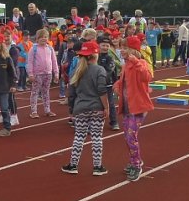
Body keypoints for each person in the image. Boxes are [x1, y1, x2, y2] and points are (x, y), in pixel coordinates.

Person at [61, 41, 108, 175]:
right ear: (95, 55)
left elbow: (72, 93)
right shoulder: (100, 70)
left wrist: (71, 110)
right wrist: (106, 107)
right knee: (97, 137)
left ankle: (73, 165)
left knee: (79, 137)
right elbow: (102, 91)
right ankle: (97, 167)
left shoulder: (77, 71)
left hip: (80, 108)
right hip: (97, 108)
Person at [113, 36, 153, 182]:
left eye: (125, 48)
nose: (121, 50)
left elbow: (146, 77)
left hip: (138, 108)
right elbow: (123, 80)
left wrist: (136, 62)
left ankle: (137, 164)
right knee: (128, 137)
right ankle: (134, 160)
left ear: (133, 50)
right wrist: (117, 85)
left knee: (131, 137)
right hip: (127, 107)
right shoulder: (125, 66)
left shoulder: (140, 63)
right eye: (121, 47)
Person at [27, 28, 58, 118]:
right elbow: (30, 62)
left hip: (48, 74)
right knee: (35, 92)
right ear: (37, 39)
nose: (44, 39)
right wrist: (31, 74)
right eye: (41, 37)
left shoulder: (50, 48)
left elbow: (54, 61)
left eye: (45, 37)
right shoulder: (33, 49)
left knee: (46, 92)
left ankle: (47, 110)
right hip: (37, 74)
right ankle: (33, 111)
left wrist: (56, 73)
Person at [98, 35, 120, 130]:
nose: (105, 47)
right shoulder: (95, 57)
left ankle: (114, 122)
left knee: (110, 103)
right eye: (103, 45)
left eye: (107, 45)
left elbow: (110, 70)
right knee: (96, 104)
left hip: (108, 84)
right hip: (96, 85)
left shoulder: (110, 58)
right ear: (98, 45)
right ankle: (96, 123)